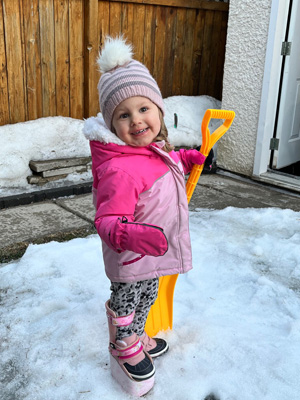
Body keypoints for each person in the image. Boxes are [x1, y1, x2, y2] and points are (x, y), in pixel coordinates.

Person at [83, 36, 206, 395]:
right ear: (111, 124)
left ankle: (137, 335)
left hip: (153, 253)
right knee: (126, 299)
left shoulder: (153, 150)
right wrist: (133, 236)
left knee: (148, 296)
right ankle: (124, 345)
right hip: (132, 254)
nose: (136, 121)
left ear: (158, 109)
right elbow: (106, 222)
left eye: (143, 109)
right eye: (123, 115)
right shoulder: (119, 169)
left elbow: (160, 170)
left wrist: (186, 159)